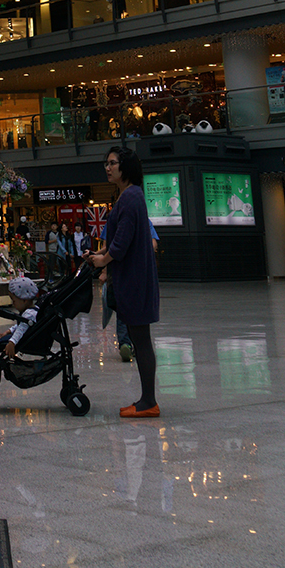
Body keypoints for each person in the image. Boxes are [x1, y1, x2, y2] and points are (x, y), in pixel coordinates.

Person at [90, 146, 160, 417]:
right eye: (106, 163)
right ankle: (147, 400)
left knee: (141, 340)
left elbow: (120, 244)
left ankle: (148, 402)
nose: (107, 168)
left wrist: (103, 260)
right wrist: (99, 254)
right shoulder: (130, 195)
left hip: (134, 280)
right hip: (133, 278)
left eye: (112, 163)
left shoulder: (130, 197)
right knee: (140, 339)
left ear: (125, 166)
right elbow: (119, 241)